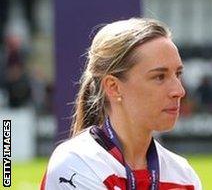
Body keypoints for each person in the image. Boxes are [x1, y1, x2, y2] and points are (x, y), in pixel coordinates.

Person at [41, 18, 201, 189]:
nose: (179, 91)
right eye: (159, 77)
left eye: (178, 74)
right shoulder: (75, 164)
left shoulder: (184, 175)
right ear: (114, 87)